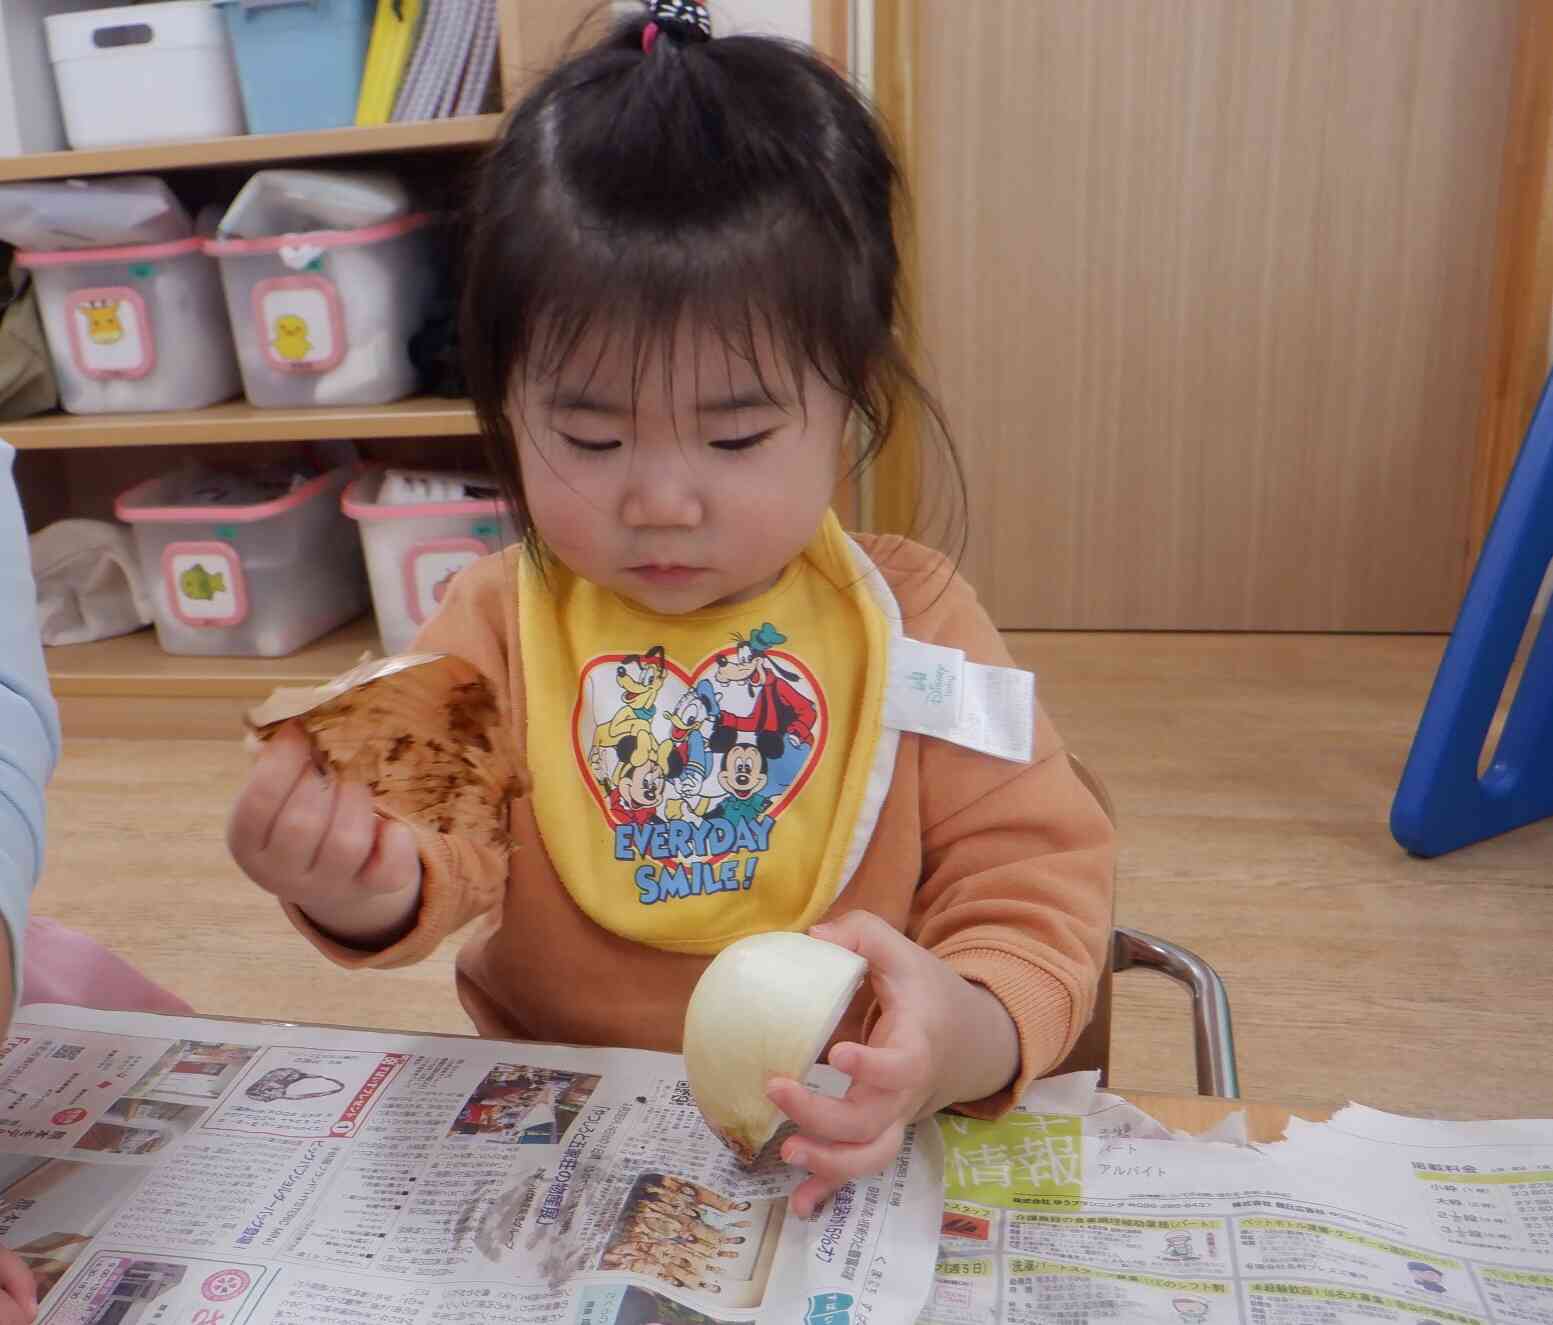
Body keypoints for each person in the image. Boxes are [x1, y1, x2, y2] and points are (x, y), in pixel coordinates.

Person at [228, 0, 1114, 1220]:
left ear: (848, 398)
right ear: (504, 407)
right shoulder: (497, 619)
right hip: (566, 1134)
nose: (658, 501)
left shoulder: (915, 620)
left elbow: (1032, 883)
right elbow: (437, 853)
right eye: (587, 434)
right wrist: (352, 878)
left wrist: (952, 1036)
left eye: (736, 433)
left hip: (850, 1135)